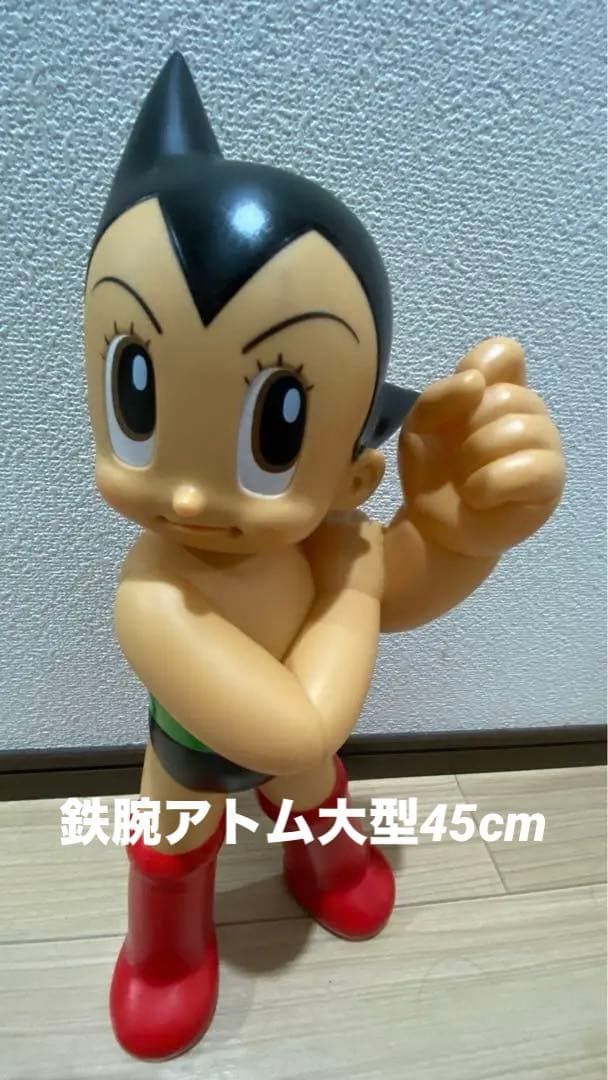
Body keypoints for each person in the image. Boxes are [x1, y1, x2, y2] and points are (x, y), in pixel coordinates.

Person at [84, 51, 565, 1060]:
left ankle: (325, 865)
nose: (186, 496)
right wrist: (352, 575)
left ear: (351, 468)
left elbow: (406, 589)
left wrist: (454, 537)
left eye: (277, 428)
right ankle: (164, 955)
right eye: (138, 394)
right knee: (175, 838)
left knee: (312, 800)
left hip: (298, 750)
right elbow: (301, 720)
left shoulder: (323, 534)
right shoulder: (152, 596)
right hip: (190, 752)